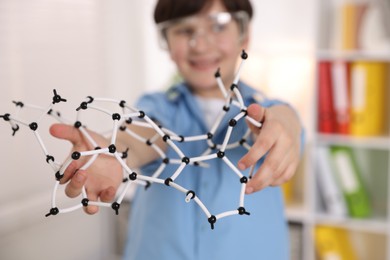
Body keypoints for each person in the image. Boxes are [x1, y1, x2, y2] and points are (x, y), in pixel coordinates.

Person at [50, 0, 304, 259]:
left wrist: (284, 124)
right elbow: (145, 135)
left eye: (218, 26)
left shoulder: (267, 110)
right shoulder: (157, 108)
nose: (201, 45)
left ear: (244, 35)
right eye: (183, 30)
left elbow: (284, 122)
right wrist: (111, 151)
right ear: (167, 44)